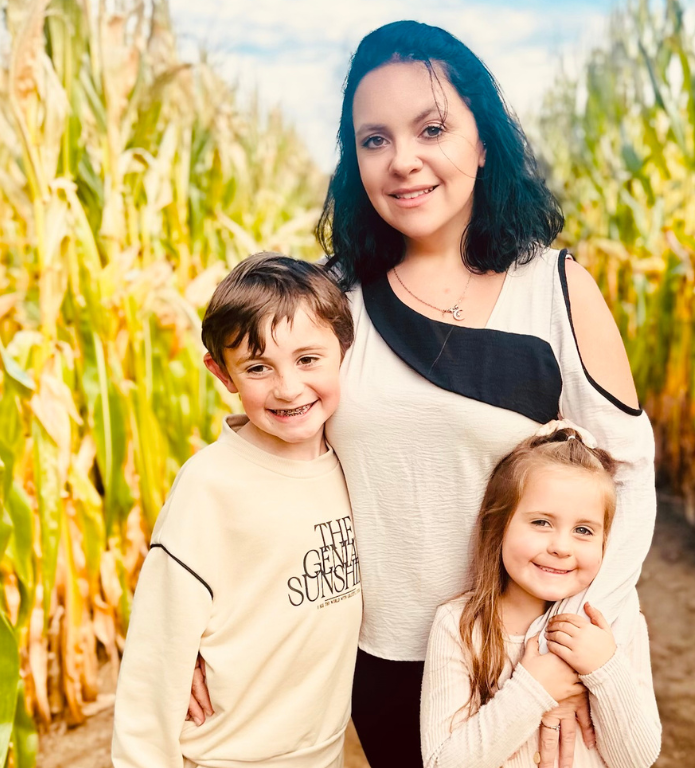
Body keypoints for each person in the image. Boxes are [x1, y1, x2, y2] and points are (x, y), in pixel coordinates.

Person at [189, 21, 657, 768]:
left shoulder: (557, 290)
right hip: (379, 658)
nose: (402, 160)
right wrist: (200, 627)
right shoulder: (334, 302)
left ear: (481, 141)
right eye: (374, 140)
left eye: (431, 128)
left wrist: (569, 643)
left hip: (522, 654)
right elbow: (263, 473)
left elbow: (630, 474)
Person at [113, 254, 362, 768]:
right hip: (231, 756)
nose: (288, 387)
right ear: (222, 373)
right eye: (257, 368)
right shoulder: (209, 488)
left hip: (323, 753)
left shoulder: (351, 463)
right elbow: (155, 658)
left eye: (308, 360)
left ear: (344, 351)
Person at [420, 423, 662, 768]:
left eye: (583, 530)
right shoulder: (460, 625)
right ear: (498, 524)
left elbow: (635, 759)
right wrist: (533, 689)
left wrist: (605, 669)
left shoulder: (617, 621)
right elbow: (444, 763)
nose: (561, 547)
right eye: (541, 523)